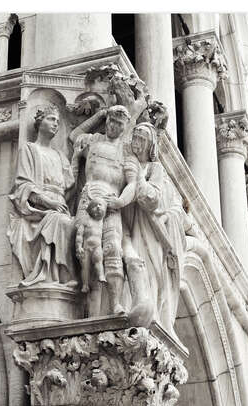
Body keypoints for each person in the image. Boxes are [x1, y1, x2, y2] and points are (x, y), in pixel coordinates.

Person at [70, 105, 136, 315]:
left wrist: (120, 202)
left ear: (124, 128)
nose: (112, 126)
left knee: (113, 250)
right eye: (110, 121)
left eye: (118, 124)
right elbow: (74, 135)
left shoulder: (126, 152)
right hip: (89, 198)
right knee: (86, 251)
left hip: (112, 203)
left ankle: (115, 303)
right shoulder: (93, 140)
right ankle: (90, 307)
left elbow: (133, 183)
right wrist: (99, 114)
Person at [124, 122, 187, 335]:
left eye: (142, 138)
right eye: (135, 136)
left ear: (150, 144)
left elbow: (152, 199)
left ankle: (152, 316)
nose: (137, 141)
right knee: (134, 262)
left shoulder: (154, 168)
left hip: (151, 228)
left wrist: (138, 179)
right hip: (132, 223)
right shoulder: (128, 164)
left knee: (150, 267)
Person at [7, 104, 77, 287]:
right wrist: (49, 203)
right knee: (61, 222)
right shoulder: (29, 150)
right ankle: (63, 274)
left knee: (73, 225)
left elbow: (70, 185)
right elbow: (23, 186)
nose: (56, 124)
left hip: (60, 206)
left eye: (58, 121)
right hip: (39, 209)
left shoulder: (59, 155)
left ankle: (62, 275)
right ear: (40, 122)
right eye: (51, 119)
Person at [75, 197, 107, 293]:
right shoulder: (86, 221)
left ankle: (101, 275)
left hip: (97, 246)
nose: (97, 207)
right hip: (86, 247)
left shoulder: (101, 221)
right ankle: (85, 285)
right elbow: (79, 235)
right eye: (94, 206)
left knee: (98, 261)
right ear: (89, 210)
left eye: (99, 205)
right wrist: (78, 247)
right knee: (85, 267)